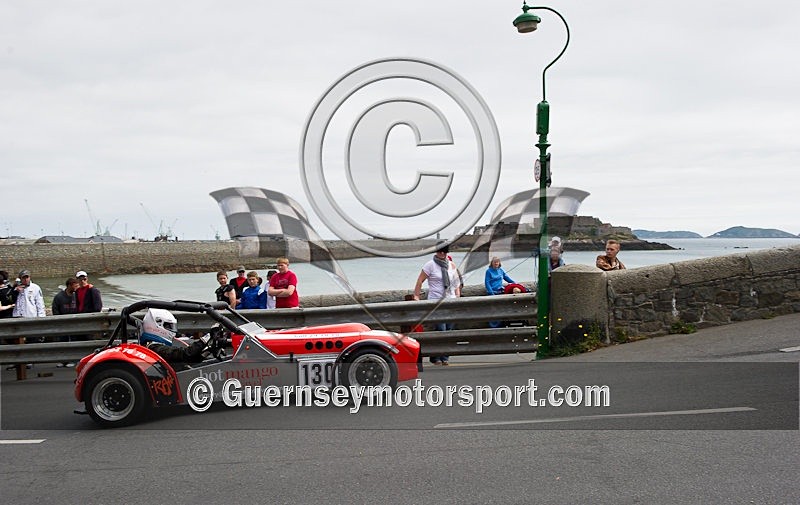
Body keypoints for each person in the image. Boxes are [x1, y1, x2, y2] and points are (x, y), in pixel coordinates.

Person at [412, 244, 461, 366]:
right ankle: (436, 357)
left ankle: (445, 358)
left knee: (449, 330)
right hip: (436, 301)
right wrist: (416, 296)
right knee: (441, 329)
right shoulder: (430, 265)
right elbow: (420, 280)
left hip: (451, 300)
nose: (442, 255)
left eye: (444, 252)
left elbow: (456, 282)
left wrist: (457, 295)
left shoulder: (451, 265)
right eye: (440, 252)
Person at [138, 308, 209, 364]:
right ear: (157, 324)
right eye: (169, 326)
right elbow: (185, 354)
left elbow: (188, 359)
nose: (172, 330)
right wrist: (206, 338)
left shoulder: (154, 346)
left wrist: (206, 352)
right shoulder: (154, 347)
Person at [9, 269, 46, 371]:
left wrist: (41, 318)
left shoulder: (35, 288)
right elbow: (9, 300)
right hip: (18, 317)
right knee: (17, 341)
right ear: (20, 279)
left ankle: (29, 360)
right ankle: (18, 361)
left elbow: (40, 304)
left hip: (30, 316)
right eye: (23, 278)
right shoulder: (16, 288)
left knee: (31, 340)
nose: (25, 279)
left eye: (27, 277)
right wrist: (15, 291)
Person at [52, 277, 80, 366]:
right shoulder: (59, 297)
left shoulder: (77, 295)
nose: (76, 288)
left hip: (75, 323)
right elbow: (55, 309)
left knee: (74, 341)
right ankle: (63, 360)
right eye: (75, 286)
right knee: (62, 341)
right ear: (69, 286)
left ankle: (73, 360)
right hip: (63, 322)